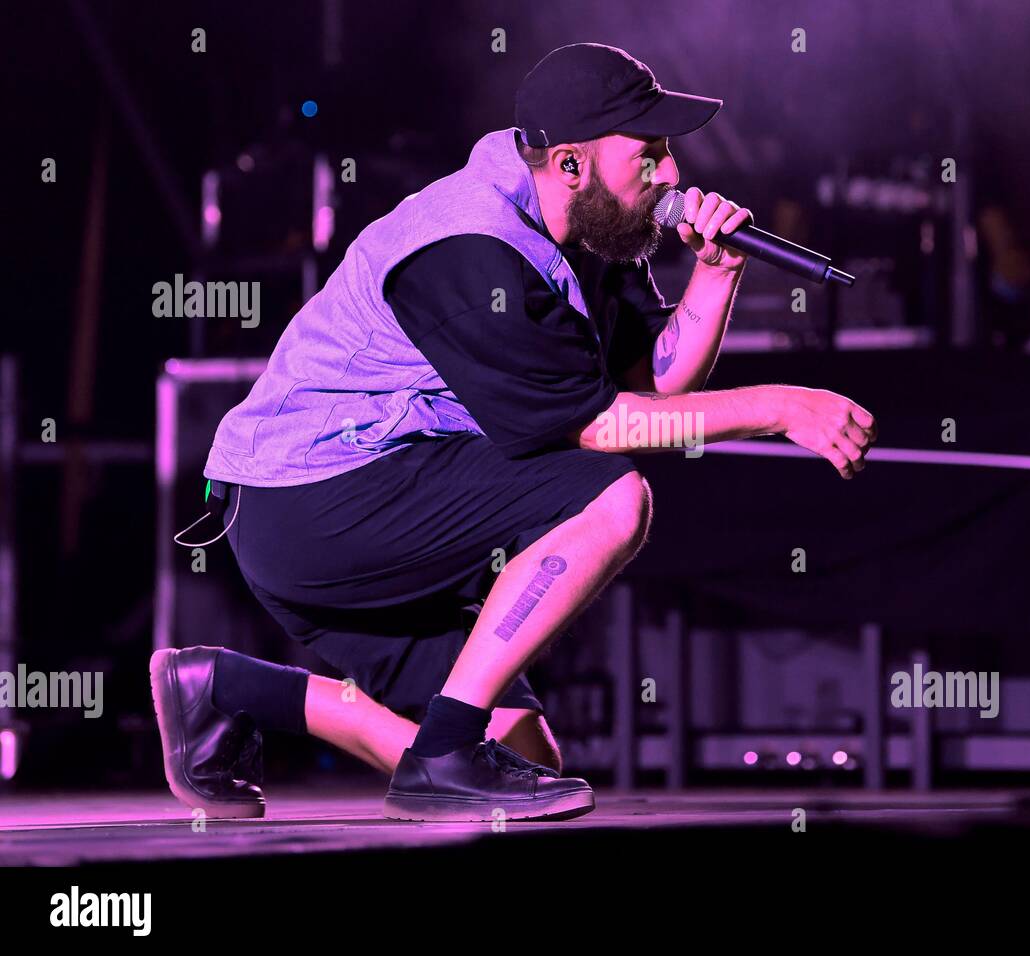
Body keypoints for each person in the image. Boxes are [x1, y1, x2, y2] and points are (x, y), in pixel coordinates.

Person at [151, 42, 876, 823]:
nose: (672, 175)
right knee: (612, 496)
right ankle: (441, 755)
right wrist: (780, 405)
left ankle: (225, 691)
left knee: (525, 759)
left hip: (369, 493)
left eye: (669, 154)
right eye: (651, 154)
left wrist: (717, 272)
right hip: (308, 500)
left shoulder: (594, 224)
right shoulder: (472, 251)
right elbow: (603, 427)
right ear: (569, 163)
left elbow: (654, 384)